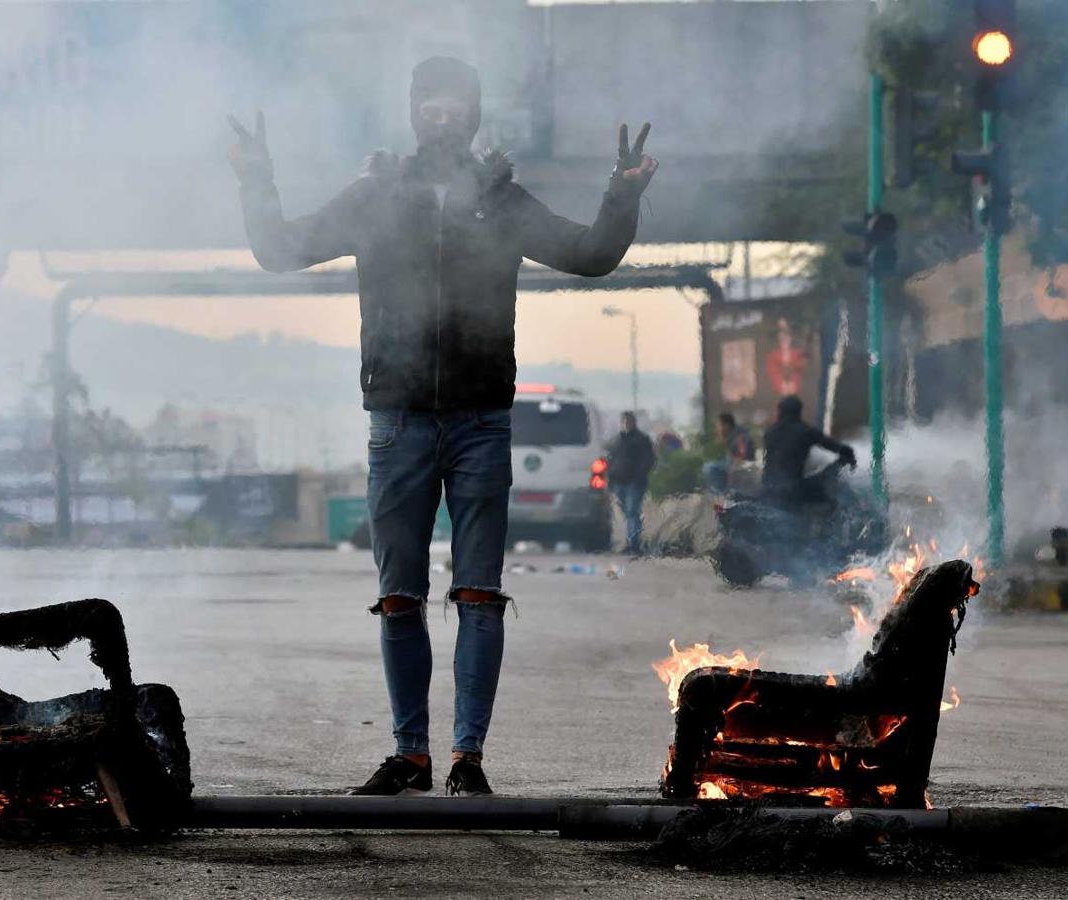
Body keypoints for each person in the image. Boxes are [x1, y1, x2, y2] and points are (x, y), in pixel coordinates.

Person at [228, 56, 657, 797]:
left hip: (480, 422)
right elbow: (280, 250)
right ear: (412, 110)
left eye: (455, 102)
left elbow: (589, 254)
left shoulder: (502, 200)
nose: (442, 114)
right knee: (398, 596)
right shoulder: (374, 197)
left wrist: (621, 195)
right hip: (395, 421)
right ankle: (409, 756)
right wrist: (255, 178)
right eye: (429, 102)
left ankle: (467, 762)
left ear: (474, 113)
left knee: (479, 595)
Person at [762, 395, 856, 504]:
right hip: (794, 491)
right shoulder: (805, 432)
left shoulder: (769, 432)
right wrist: (847, 462)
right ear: (798, 412)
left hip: (768, 490)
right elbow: (844, 450)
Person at [605, 411, 656, 555]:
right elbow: (611, 459)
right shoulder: (617, 440)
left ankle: (634, 544)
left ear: (634, 422)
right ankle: (633, 541)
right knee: (627, 513)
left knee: (632, 512)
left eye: (629, 421)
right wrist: (611, 478)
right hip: (618, 482)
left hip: (634, 482)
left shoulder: (641, 439)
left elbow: (649, 460)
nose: (627, 423)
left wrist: (639, 474)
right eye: (624, 421)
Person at [703, 412, 755, 493]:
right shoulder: (735, 437)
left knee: (711, 467)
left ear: (726, 426)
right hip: (738, 468)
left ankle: (718, 495)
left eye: (718, 426)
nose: (716, 429)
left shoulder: (740, 437)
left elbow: (742, 460)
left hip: (743, 470)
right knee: (711, 465)